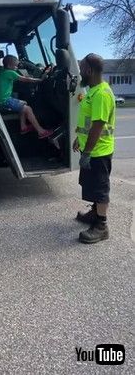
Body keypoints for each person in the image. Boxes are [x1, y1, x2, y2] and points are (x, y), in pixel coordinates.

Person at [73, 53, 115, 244]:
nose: (80, 72)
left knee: (100, 188)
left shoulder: (101, 94)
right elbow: (87, 124)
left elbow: (97, 127)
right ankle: (94, 214)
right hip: (91, 149)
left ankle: (101, 226)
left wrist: (87, 152)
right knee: (91, 185)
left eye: (81, 68)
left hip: (99, 152)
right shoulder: (92, 91)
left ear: (89, 70)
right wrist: (78, 140)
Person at [0, 55, 53, 139]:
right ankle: (41, 131)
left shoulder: (2, 71)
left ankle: (23, 127)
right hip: (4, 101)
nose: (17, 67)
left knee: (24, 103)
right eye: (16, 66)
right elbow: (26, 79)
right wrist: (40, 80)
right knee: (27, 108)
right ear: (9, 66)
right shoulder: (10, 72)